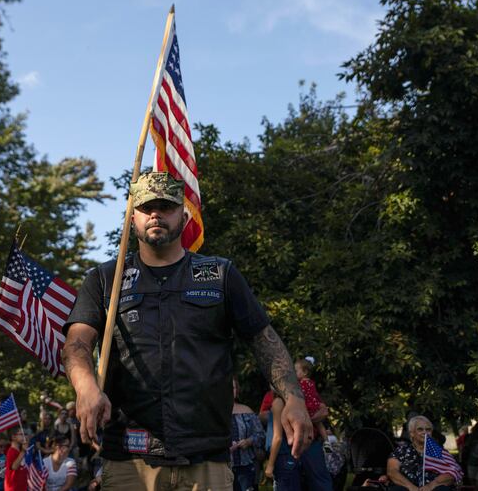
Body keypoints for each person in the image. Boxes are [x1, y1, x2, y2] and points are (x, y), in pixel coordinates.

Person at [62, 172, 312, 490]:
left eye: (165, 206)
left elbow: (263, 339)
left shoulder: (220, 274)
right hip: (130, 460)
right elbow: (76, 345)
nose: (155, 214)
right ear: (132, 215)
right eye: (146, 206)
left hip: (206, 460)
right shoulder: (104, 280)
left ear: (183, 213)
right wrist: (86, 388)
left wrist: (292, 398)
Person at [294, 357, 333, 491]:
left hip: (307, 418)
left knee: (318, 477)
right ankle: (327, 441)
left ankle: (325, 441)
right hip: (312, 411)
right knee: (320, 424)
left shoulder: (299, 386)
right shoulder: (311, 383)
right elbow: (319, 403)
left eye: (296, 371)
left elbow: (324, 410)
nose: (294, 374)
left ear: (304, 372)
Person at [387, 415, 456, 491]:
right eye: (420, 429)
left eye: (428, 429)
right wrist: (412, 488)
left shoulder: (440, 452)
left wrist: (430, 486)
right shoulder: (400, 451)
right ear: (412, 433)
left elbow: (451, 473)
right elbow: (392, 471)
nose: (425, 432)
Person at [230, 378, 264, 491]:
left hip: (245, 467)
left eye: (233, 387)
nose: (230, 390)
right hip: (222, 467)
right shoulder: (215, 413)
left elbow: (260, 434)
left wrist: (249, 441)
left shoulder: (246, 410)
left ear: (237, 390)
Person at [265, 392, 300, 490]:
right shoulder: (292, 401)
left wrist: (270, 465)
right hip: (290, 456)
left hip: (282, 457)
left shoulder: (278, 402)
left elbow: (277, 437)